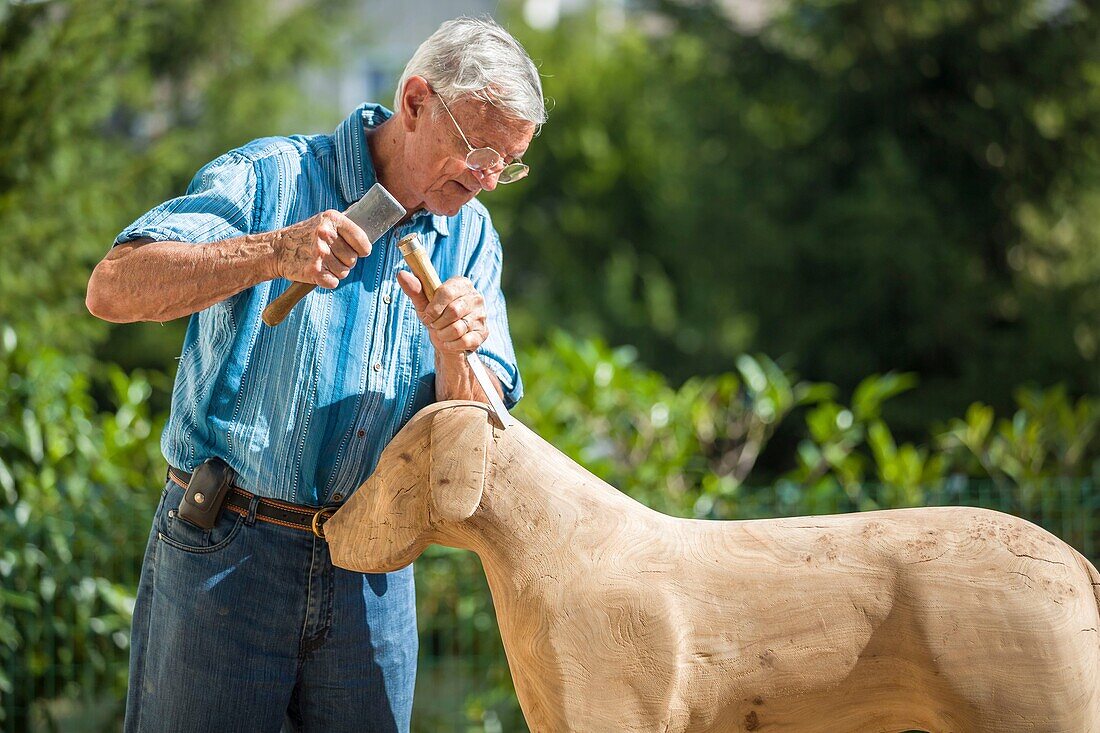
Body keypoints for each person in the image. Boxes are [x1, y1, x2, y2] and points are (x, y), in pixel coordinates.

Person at [85, 15, 545, 732]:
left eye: (506, 162)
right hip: (227, 551)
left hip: (375, 567)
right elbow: (112, 287)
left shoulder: (472, 236)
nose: (488, 178)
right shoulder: (275, 176)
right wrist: (271, 252)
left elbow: (482, 436)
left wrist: (455, 349)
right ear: (417, 101)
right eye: (479, 148)